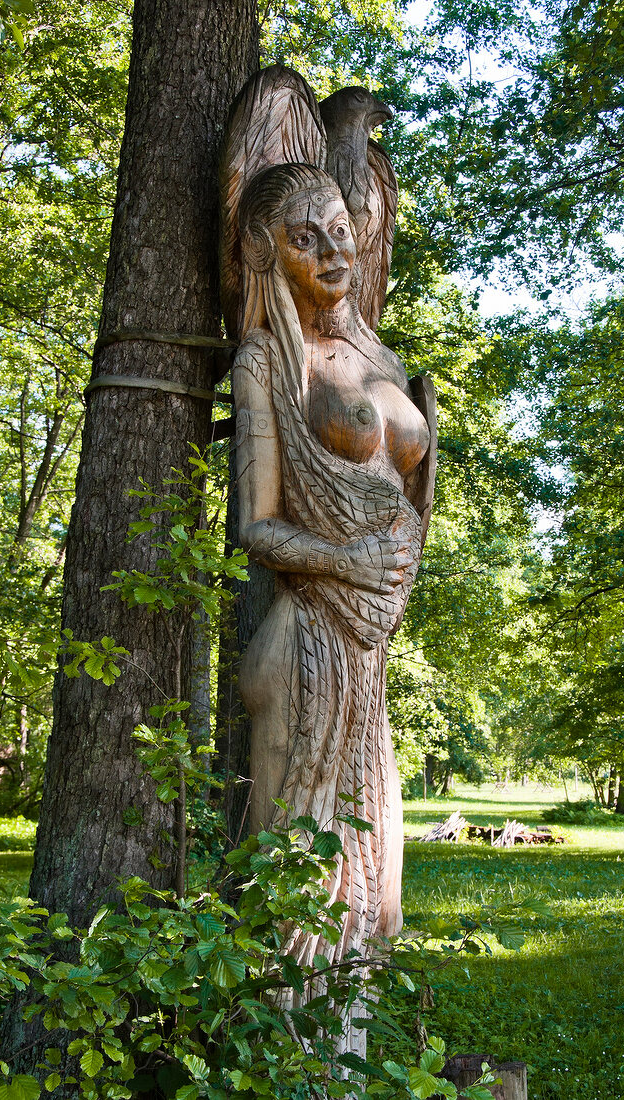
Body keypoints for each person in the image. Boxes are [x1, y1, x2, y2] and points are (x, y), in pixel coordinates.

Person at [232, 162, 431, 963]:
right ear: (267, 252)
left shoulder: (381, 360)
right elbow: (255, 525)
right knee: (300, 896)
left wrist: (391, 565)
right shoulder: (264, 361)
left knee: (376, 883)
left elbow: (411, 496)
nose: (330, 254)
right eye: (303, 239)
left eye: (340, 232)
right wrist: (346, 562)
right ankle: (291, 1063)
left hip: (370, 652)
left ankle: (361, 1056)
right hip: (307, 642)